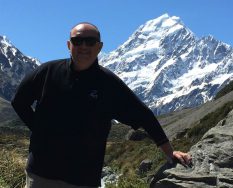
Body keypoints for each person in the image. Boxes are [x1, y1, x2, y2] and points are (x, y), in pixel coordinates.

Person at [11, 22, 192, 188]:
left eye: (90, 41)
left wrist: (170, 152)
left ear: (99, 47)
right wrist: (39, 129)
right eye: (77, 40)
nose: (83, 46)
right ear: (69, 45)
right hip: (42, 173)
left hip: (83, 179)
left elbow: (143, 115)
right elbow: (19, 101)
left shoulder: (109, 84)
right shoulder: (48, 72)